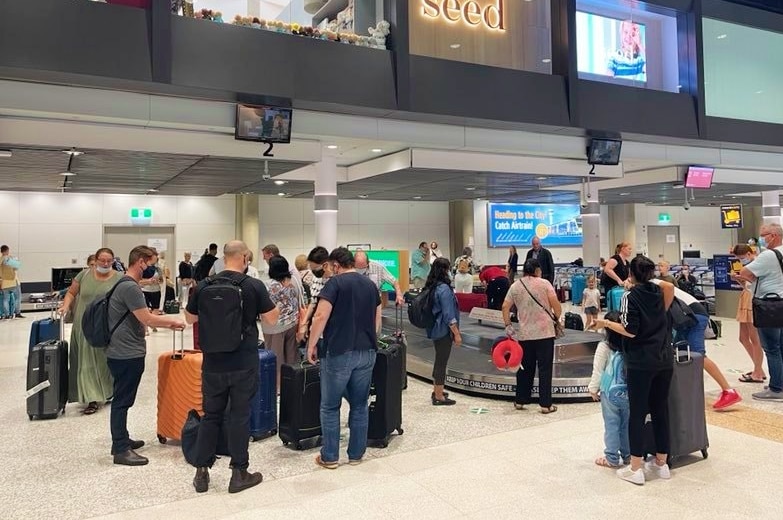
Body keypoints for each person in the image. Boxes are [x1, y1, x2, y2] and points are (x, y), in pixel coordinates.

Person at [186, 241, 279, 493]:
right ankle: (239, 473)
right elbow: (271, 320)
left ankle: (201, 472)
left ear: (224, 258)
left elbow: (189, 318)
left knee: (211, 416)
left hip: (213, 363)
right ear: (245, 257)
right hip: (243, 363)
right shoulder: (253, 285)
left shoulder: (204, 285)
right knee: (239, 416)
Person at [590, 256, 675, 486]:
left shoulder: (630, 296)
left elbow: (630, 331)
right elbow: (669, 285)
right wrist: (647, 281)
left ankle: (635, 468)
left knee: (637, 413)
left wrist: (605, 323)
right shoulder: (659, 292)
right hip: (664, 359)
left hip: (641, 362)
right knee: (660, 410)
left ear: (631, 274)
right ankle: (662, 463)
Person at [107, 245, 186, 466]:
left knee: (123, 398)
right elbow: (147, 319)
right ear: (141, 262)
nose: (152, 268)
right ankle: (120, 449)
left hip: (120, 349)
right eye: (151, 263)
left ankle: (121, 439)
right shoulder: (130, 288)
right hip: (126, 352)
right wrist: (172, 322)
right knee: (122, 400)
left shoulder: (123, 282)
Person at [306, 247, 381, 469]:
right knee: (359, 404)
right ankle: (356, 454)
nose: (327, 270)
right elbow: (377, 318)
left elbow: (320, 316)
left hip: (339, 351)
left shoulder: (335, 284)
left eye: (329, 266)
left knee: (330, 406)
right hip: (367, 352)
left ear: (337, 265)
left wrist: (311, 344)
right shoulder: (369, 284)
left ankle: (330, 457)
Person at [652, 278, 742, 410]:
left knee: (698, 356)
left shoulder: (653, 282)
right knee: (679, 353)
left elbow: (669, 287)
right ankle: (681, 390)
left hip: (695, 317)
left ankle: (728, 391)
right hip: (686, 317)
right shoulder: (650, 283)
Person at [58, 247, 122, 415]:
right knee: (85, 362)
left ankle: (107, 392)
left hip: (105, 326)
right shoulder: (84, 275)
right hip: (82, 325)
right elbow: (71, 293)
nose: (106, 264)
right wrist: (65, 306)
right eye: (102, 261)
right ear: (96, 260)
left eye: (109, 261)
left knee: (104, 361)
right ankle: (91, 398)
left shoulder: (119, 278)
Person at [502, 258, 561, 414]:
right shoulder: (544, 284)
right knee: (544, 369)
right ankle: (545, 405)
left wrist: (508, 324)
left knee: (525, 369)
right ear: (536, 270)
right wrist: (556, 317)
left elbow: (505, 306)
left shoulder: (516, 286)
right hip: (545, 333)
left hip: (525, 334)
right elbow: (556, 305)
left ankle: (520, 400)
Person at [737, 223, 783, 401]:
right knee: (781, 346)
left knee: (771, 348)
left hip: (769, 305)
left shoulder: (769, 255)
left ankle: (776, 388)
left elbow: (745, 272)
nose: (761, 239)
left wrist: (752, 276)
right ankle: (780, 381)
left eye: (763, 235)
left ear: (773, 236)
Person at [589, 311, 629, 468]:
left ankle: (611, 457)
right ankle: (628, 455)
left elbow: (598, 370)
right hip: (628, 391)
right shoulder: (629, 344)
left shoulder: (604, 346)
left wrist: (593, 388)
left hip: (609, 392)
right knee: (626, 424)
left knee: (612, 424)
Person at [425, 258, 462, 405]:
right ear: (445, 270)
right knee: (441, 361)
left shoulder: (432, 286)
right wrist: (457, 333)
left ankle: (438, 389)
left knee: (439, 359)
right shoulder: (444, 289)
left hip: (434, 328)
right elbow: (448, 315)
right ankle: (439, 396)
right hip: (443, 330)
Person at [263, 255, 300, 392]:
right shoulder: (291, 282)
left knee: (276, 357)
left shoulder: (269, 285)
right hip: (292, 323)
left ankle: (278, 388)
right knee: (291, 355)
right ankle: (292, 385)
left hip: (274, 326)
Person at [731, 244, 766, 383]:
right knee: (743, 337)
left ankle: (757, 372)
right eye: (739, 258)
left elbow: (757, 283)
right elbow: (747, 285)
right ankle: (759, 369)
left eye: (742, 257)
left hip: (754, 299)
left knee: (755, 338)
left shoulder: (759, 263)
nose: (742, 260)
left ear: (750, 253)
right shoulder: (748, 265)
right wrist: (739, 278)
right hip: (745, 296)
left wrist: (743, 277)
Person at [0, 245, 21, 320]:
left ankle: (7, 315)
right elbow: (16, 267)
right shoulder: (9, 259)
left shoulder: (1, 259)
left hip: (4, 282)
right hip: (13, 281)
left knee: (5, 299)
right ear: (7, 250)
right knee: (17, 298)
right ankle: (17, 312)